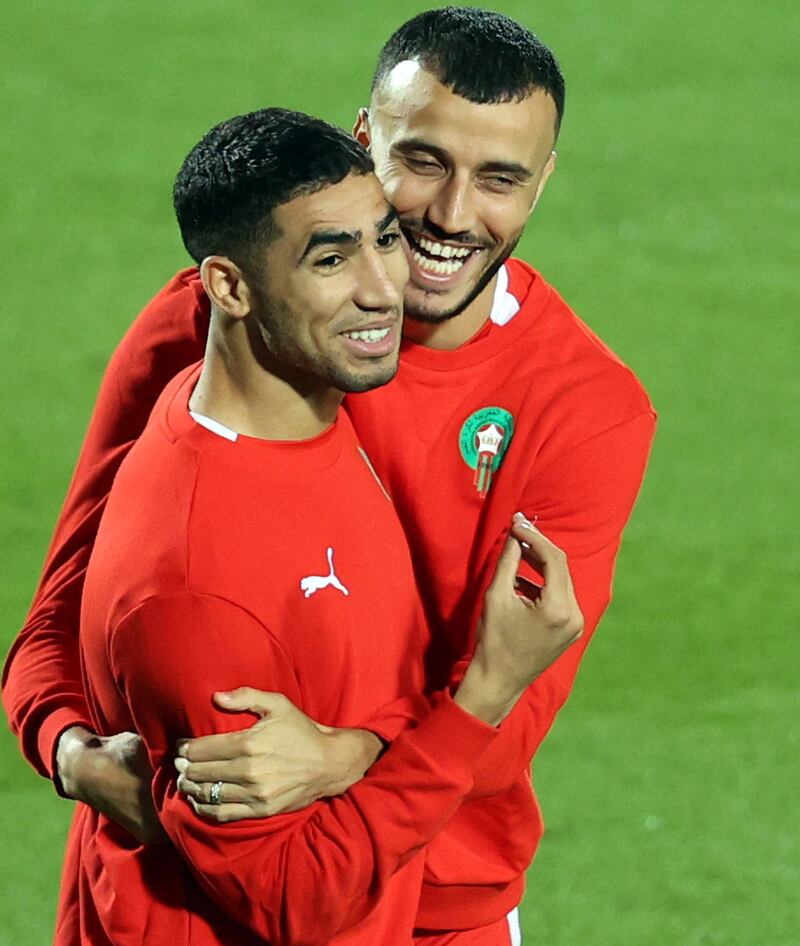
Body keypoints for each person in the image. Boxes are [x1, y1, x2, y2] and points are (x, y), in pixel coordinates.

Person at [3, 7, 655, 942]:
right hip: (182, 892)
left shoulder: (584, 410)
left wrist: (336, 756)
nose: (451, 215)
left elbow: (510, 701)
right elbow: (60, 610)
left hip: (434, 906)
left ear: (543, 182)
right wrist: (71, 754)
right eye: (422, 161)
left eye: (501, 178)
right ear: (364, 140)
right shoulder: (216, 323)